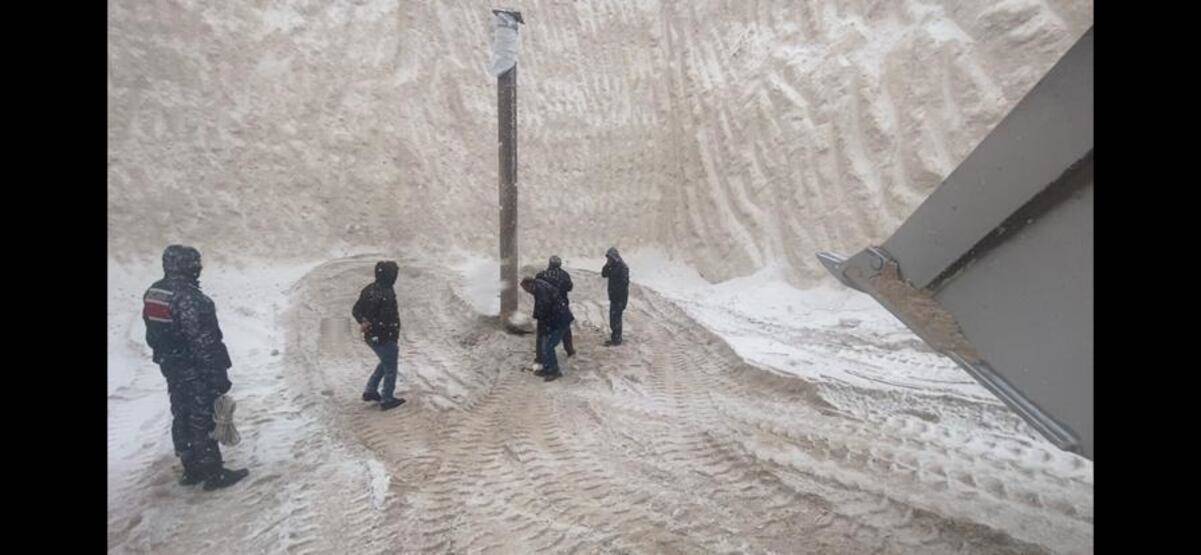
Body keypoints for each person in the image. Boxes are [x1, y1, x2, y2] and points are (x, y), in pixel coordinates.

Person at [142, 245, 249, 490]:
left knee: (182, 414)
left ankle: (191, 468)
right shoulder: (192, 298)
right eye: (195, 263)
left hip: (171, 366)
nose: (198, 267)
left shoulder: (154, 292)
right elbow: (205, 344)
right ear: (187, 265)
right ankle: (213, 473)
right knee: (202, 419)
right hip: (195, 368)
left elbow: (151, 334)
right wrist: (218, 376)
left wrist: (168, 356)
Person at [352, 261, 406, 410]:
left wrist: (363, 321)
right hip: (383, 336)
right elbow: (387, 318)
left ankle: (370, 391)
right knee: (390, 367)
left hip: (373, 336)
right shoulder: (385, 292)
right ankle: (387, 398)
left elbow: (356, 309)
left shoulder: (370, 288)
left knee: (386, 361)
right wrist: (389, 335)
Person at [521, 275, 574, 382]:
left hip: (560, 321)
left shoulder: (541, 291)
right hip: (557, 319)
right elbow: (542, 309)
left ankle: (555, 371)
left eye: (526, 290)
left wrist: (544, 324)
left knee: (548, 345)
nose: (527, 292)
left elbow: (544, 309)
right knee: (544, 344)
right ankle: (547, 368)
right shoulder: (539, 286)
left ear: (530, 285)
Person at [534, 255, 574, 366]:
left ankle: (540, 356)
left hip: (545, 308)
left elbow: (537, 290)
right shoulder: (564, 275)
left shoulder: (541, 275)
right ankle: (569, 349)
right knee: (564, 328)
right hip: (561, 306)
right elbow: (570, 287)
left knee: (542, 332)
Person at [601, 247, 629, 346]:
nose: (609, 260)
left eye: (610, 258)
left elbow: (624, 283)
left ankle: (617, 339)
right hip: (614, 297)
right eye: (608, 258)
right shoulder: (612, 266)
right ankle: (615, 337)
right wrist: (607, 265)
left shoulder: (623, 267)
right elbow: (604, 274)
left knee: (616, 319)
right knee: (613, 319)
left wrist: (620, 297)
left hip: (619, 298)